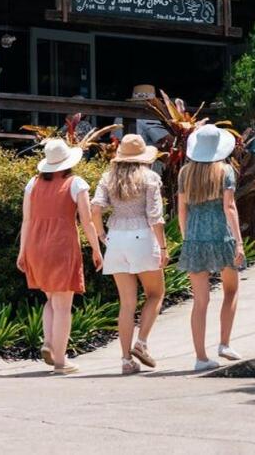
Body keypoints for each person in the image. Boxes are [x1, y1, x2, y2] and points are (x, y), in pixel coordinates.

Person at [17, 137, 103, 374]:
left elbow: (26, 220)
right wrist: (96, 249)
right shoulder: (76, 184)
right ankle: (60, 362)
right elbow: (87, 221)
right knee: (63, 306)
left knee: (51, 300)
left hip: (35, 247)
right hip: (62, 247)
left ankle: (48, 343)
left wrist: (22, 251)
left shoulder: (32, 183)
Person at [90, 134, 167, 375]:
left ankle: (126, 360)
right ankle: (141, 343)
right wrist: (163, 247)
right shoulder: (150, 178)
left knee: (126, 303)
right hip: (142, 237)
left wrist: (102, 235)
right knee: (156, 293)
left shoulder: (108, 177)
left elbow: (95, 209)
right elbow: (155, 217)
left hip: (116, 239)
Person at [177, 124, 245, 372]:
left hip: (195, 237)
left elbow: (182, 210)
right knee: (231, 290)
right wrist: (239, 241)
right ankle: (224, 344)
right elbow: (229, 207)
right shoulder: (225, 171)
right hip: (222, 236)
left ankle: (200, 357)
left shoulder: (185, 173)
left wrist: (187, 238)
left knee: (200, 301)